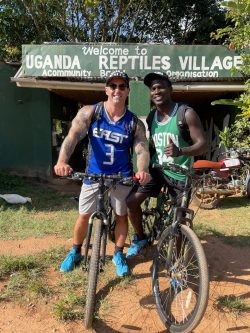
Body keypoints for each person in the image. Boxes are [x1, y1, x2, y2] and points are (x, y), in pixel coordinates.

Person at [54, 70, 151, 277]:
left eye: (122, 86)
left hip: (121, 176)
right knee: (84, 215)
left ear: (128, 91)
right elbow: (73, 137)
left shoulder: (134, 122)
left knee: (121, 215)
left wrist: (142, 170)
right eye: (113, 86)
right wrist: (62, 161)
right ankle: (75, 251)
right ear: (106, 89)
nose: (117, 90)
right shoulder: (91, 112)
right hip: (93, 174)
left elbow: (141, 148)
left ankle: (118, 253)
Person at [126, 72, 207, 257]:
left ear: (170, 89)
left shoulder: (186, 113)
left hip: (180, 175)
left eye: (160, 87)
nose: (156, 91)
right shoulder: (151, 116)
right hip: (157, 171)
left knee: (180, 220)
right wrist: (143, 169)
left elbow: (203, 145)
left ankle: (177, 263)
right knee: (131, 201)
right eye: (152, 88)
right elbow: (151, 147)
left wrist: (181, 151)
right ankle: (140, 237)